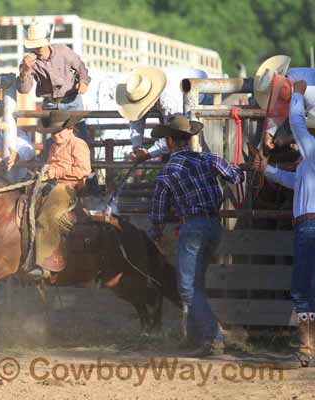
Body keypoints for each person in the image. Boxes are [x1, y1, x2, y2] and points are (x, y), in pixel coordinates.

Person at [148, 115, 245, 357]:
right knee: (195, 284)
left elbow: (158, 211)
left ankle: (214, 337)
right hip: (214, 225)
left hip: (192, 227)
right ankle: (196, 337)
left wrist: (155, 233)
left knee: (188, 287)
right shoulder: (207, 159)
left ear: (170, 141)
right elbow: (236, 176)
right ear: (189, 138)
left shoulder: (168, 171)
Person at [243, 80, 315, 367]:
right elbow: (294, 182)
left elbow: (296, 123)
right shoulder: (307, 163)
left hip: (308, 226)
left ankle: (307, 347)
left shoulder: (311, 150)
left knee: (302, 287)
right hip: (308, 224)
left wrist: (296, 96)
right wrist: (267, 169)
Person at [29, 110, 91, 279]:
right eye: (53, 132)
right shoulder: (54, 146)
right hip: (52, 185)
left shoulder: (78, 144)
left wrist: (55, 172)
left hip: (68, 188)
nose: (55, 135)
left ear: (70, 128)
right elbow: (48, 166)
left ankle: (44, 263)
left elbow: (84, 170)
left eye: (59, 131)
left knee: (47, 216)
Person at [16, 22, 91, 142]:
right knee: (51, 143)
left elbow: (81, 67)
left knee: (80, 139)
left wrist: (84, 82)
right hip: (51, 103)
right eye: (35, 45)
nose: (38, 48)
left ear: (46, 40)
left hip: (71, 99)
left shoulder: (63, 51)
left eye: (40, 45)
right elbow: (24, 89)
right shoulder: (29, 62)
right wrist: (25, 70)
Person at [116, 66, 208, 163]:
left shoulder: (171, 100)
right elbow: (137, 117)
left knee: (194, 142)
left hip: (202, 95)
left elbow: (177, 132)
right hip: (193, 84)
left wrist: (148, 153)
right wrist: (137, 146)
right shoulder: (145, 86)